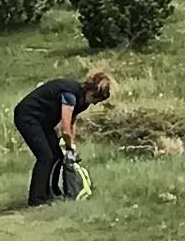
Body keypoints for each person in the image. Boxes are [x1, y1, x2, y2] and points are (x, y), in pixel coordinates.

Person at [12, 67, 111, 207]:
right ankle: (37, 200)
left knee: (57, 155)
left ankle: (52, 192)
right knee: (45, 157)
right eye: (96, 98)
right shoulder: (70, 94)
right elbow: (64, 128)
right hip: (28, 116)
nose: (95, 103)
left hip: (43, 121)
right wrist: (70, 145)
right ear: (91, 91)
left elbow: (71, 123)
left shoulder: (83, 101)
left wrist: (72, 144)